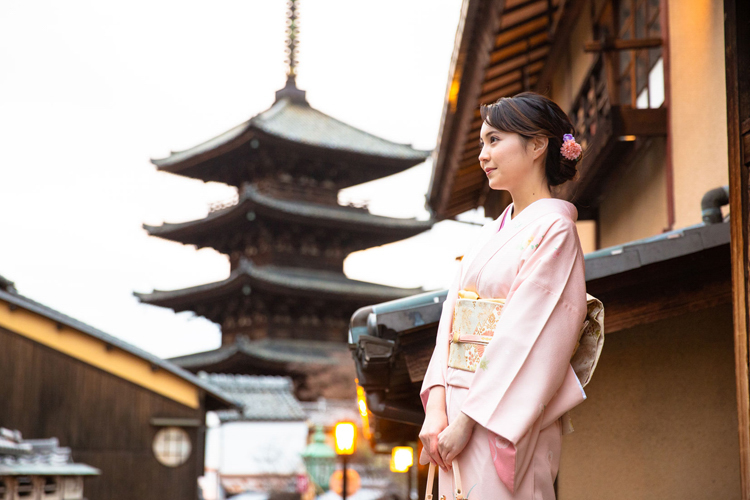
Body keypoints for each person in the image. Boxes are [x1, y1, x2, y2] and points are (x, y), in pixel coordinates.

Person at [418, 92, 588, 499]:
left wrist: (469, 420)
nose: (483, 154)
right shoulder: (487, 235)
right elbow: (452, 321)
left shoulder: (554, 231)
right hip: (456, 412)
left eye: (494, 140)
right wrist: (438, 408)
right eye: (481, 142)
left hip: (500, 416)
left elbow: (527, 336)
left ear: (537, 145)